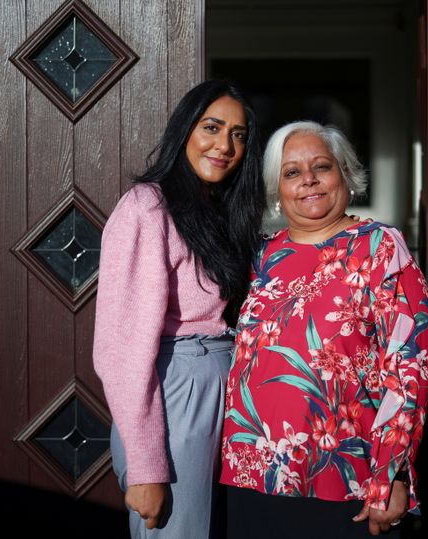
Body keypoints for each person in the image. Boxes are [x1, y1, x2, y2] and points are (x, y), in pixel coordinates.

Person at [219, 121, 428, 538]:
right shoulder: (260, 256)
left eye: (322, 167)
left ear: (346, 175)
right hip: (250, 475)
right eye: (292, 173)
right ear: (276, 190)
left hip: (347, 477)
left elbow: (412, 369)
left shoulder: (380, 247)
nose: (309, 181)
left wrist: (392, 476)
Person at [93, 80, 266, 539]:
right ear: (184, 129)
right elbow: (122, 351)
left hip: (227, 387)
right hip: (178, 394)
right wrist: (147, 467)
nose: (224, 145)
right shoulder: (147, 207)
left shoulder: (218, 212)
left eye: (238, 134)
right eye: (212, 127)